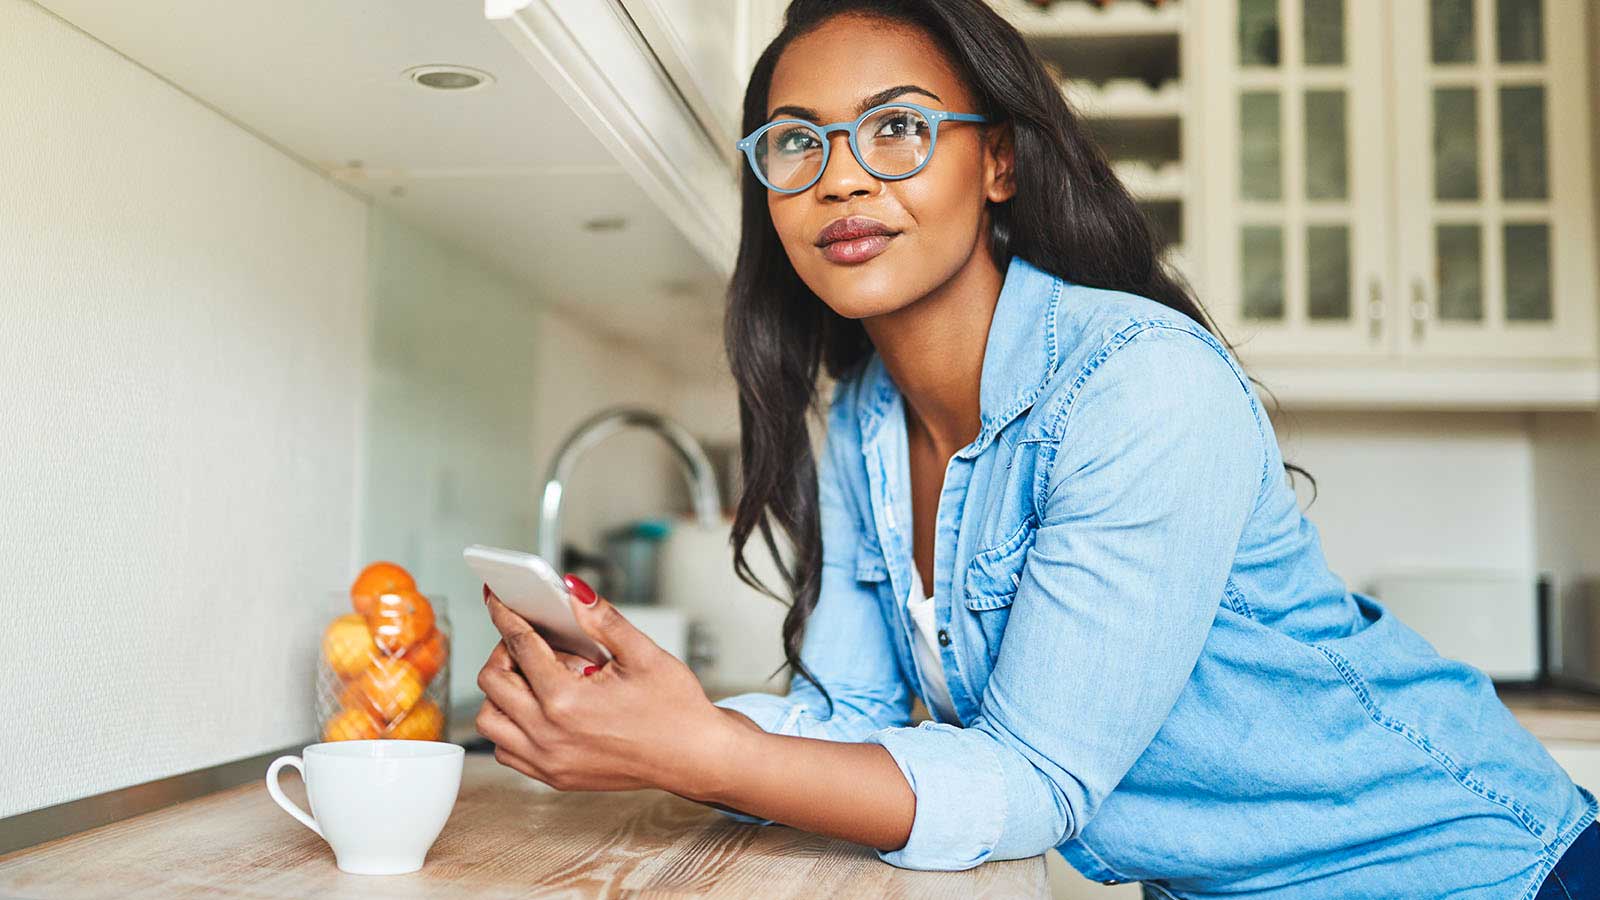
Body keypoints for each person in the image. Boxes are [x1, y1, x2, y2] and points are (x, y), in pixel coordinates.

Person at [473, 1, 1596, 895]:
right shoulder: (860, 420)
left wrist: (691, 753)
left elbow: (1036, 780)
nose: (843, 177)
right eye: (796, 144)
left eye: (899, 128)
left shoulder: (1137, 386)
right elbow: (849, 721)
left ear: (998, 162)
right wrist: (649, 715)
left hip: (1481, 871)